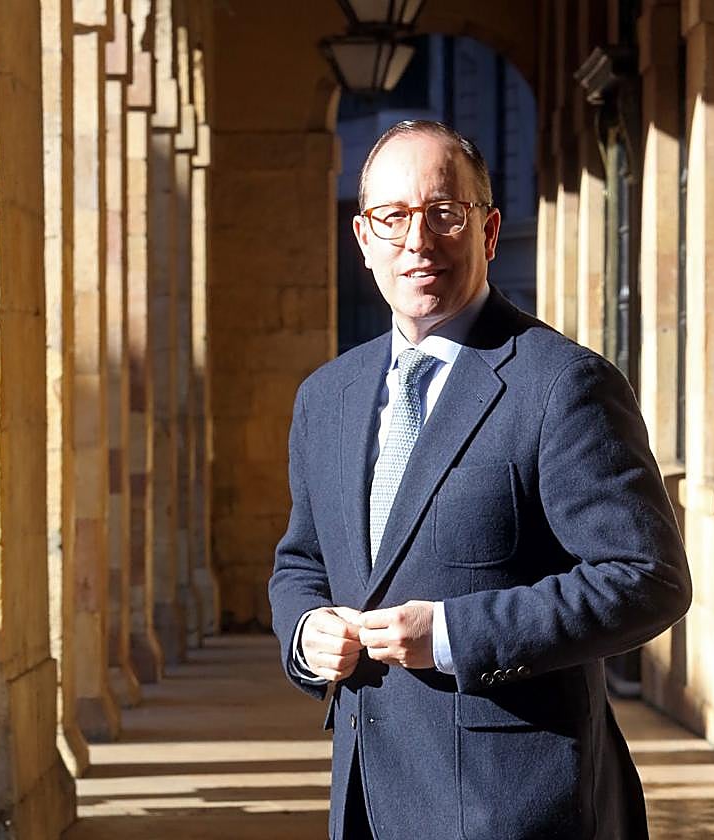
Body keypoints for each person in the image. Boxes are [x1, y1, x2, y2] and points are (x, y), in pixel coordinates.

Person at [269, 119, 691, 840]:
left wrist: (451, 634)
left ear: (489, 231)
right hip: (367, 802)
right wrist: (307, 633)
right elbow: (302, 560)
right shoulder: (326, 398)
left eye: (444, 213)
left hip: (518, 805)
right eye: (393, 218)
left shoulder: (563, 384)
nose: (418, 242)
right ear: (363, 237)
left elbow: (647, 578)